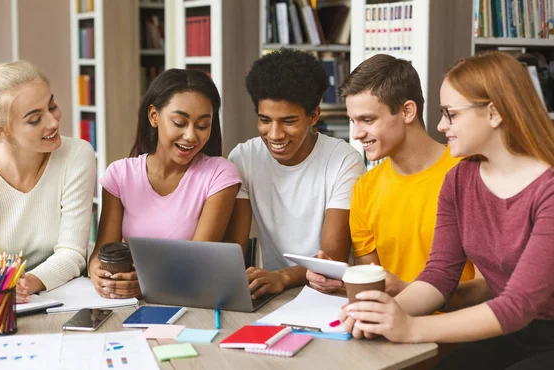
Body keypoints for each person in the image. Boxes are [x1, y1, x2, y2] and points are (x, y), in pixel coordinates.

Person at [341, 51, 554, 369]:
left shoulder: (547, 189)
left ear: (494, 113)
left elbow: (517, 305)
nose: (441, 125)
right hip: (511, 331)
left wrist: (409, 327)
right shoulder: (460, 178)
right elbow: (440, 273)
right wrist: (383, 313)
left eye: (451, 114)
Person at [307, 54, 479, 307]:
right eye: (352, 121)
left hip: (458, 334)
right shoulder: (365, 188)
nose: (356, 134)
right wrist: (342, 284)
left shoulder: (470, 175)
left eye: (368, 120)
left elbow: (490, 289)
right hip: (392, 332)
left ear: (407, 111)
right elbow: (379, 286)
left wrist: (410, 292)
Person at [224, 48, 366, 299]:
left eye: (288, 121)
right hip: (271, 292)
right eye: (265, 120)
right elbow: (234, 250)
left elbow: (332, 257)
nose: (275, 134)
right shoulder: (244, 157)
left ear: (314, 116)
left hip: (328, 293)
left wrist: (283, 276)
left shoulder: (343, 160)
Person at [89, 69, 241, 299]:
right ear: (154, 116)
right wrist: (97, 273)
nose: (191, 136)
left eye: (202, 126)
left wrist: (147, 283)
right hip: (130, 303)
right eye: (179, 122)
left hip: (191, 300)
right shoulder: (120, 175)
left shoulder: (219, 175)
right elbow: (104, 253)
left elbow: (198, 261)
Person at [0, 61, 96, 302]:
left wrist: (28, 284)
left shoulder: (77, 155)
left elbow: (72, 252)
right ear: (1, 130)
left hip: (61, 295)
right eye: (34, 119)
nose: (53, 122)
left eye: (52, 106)